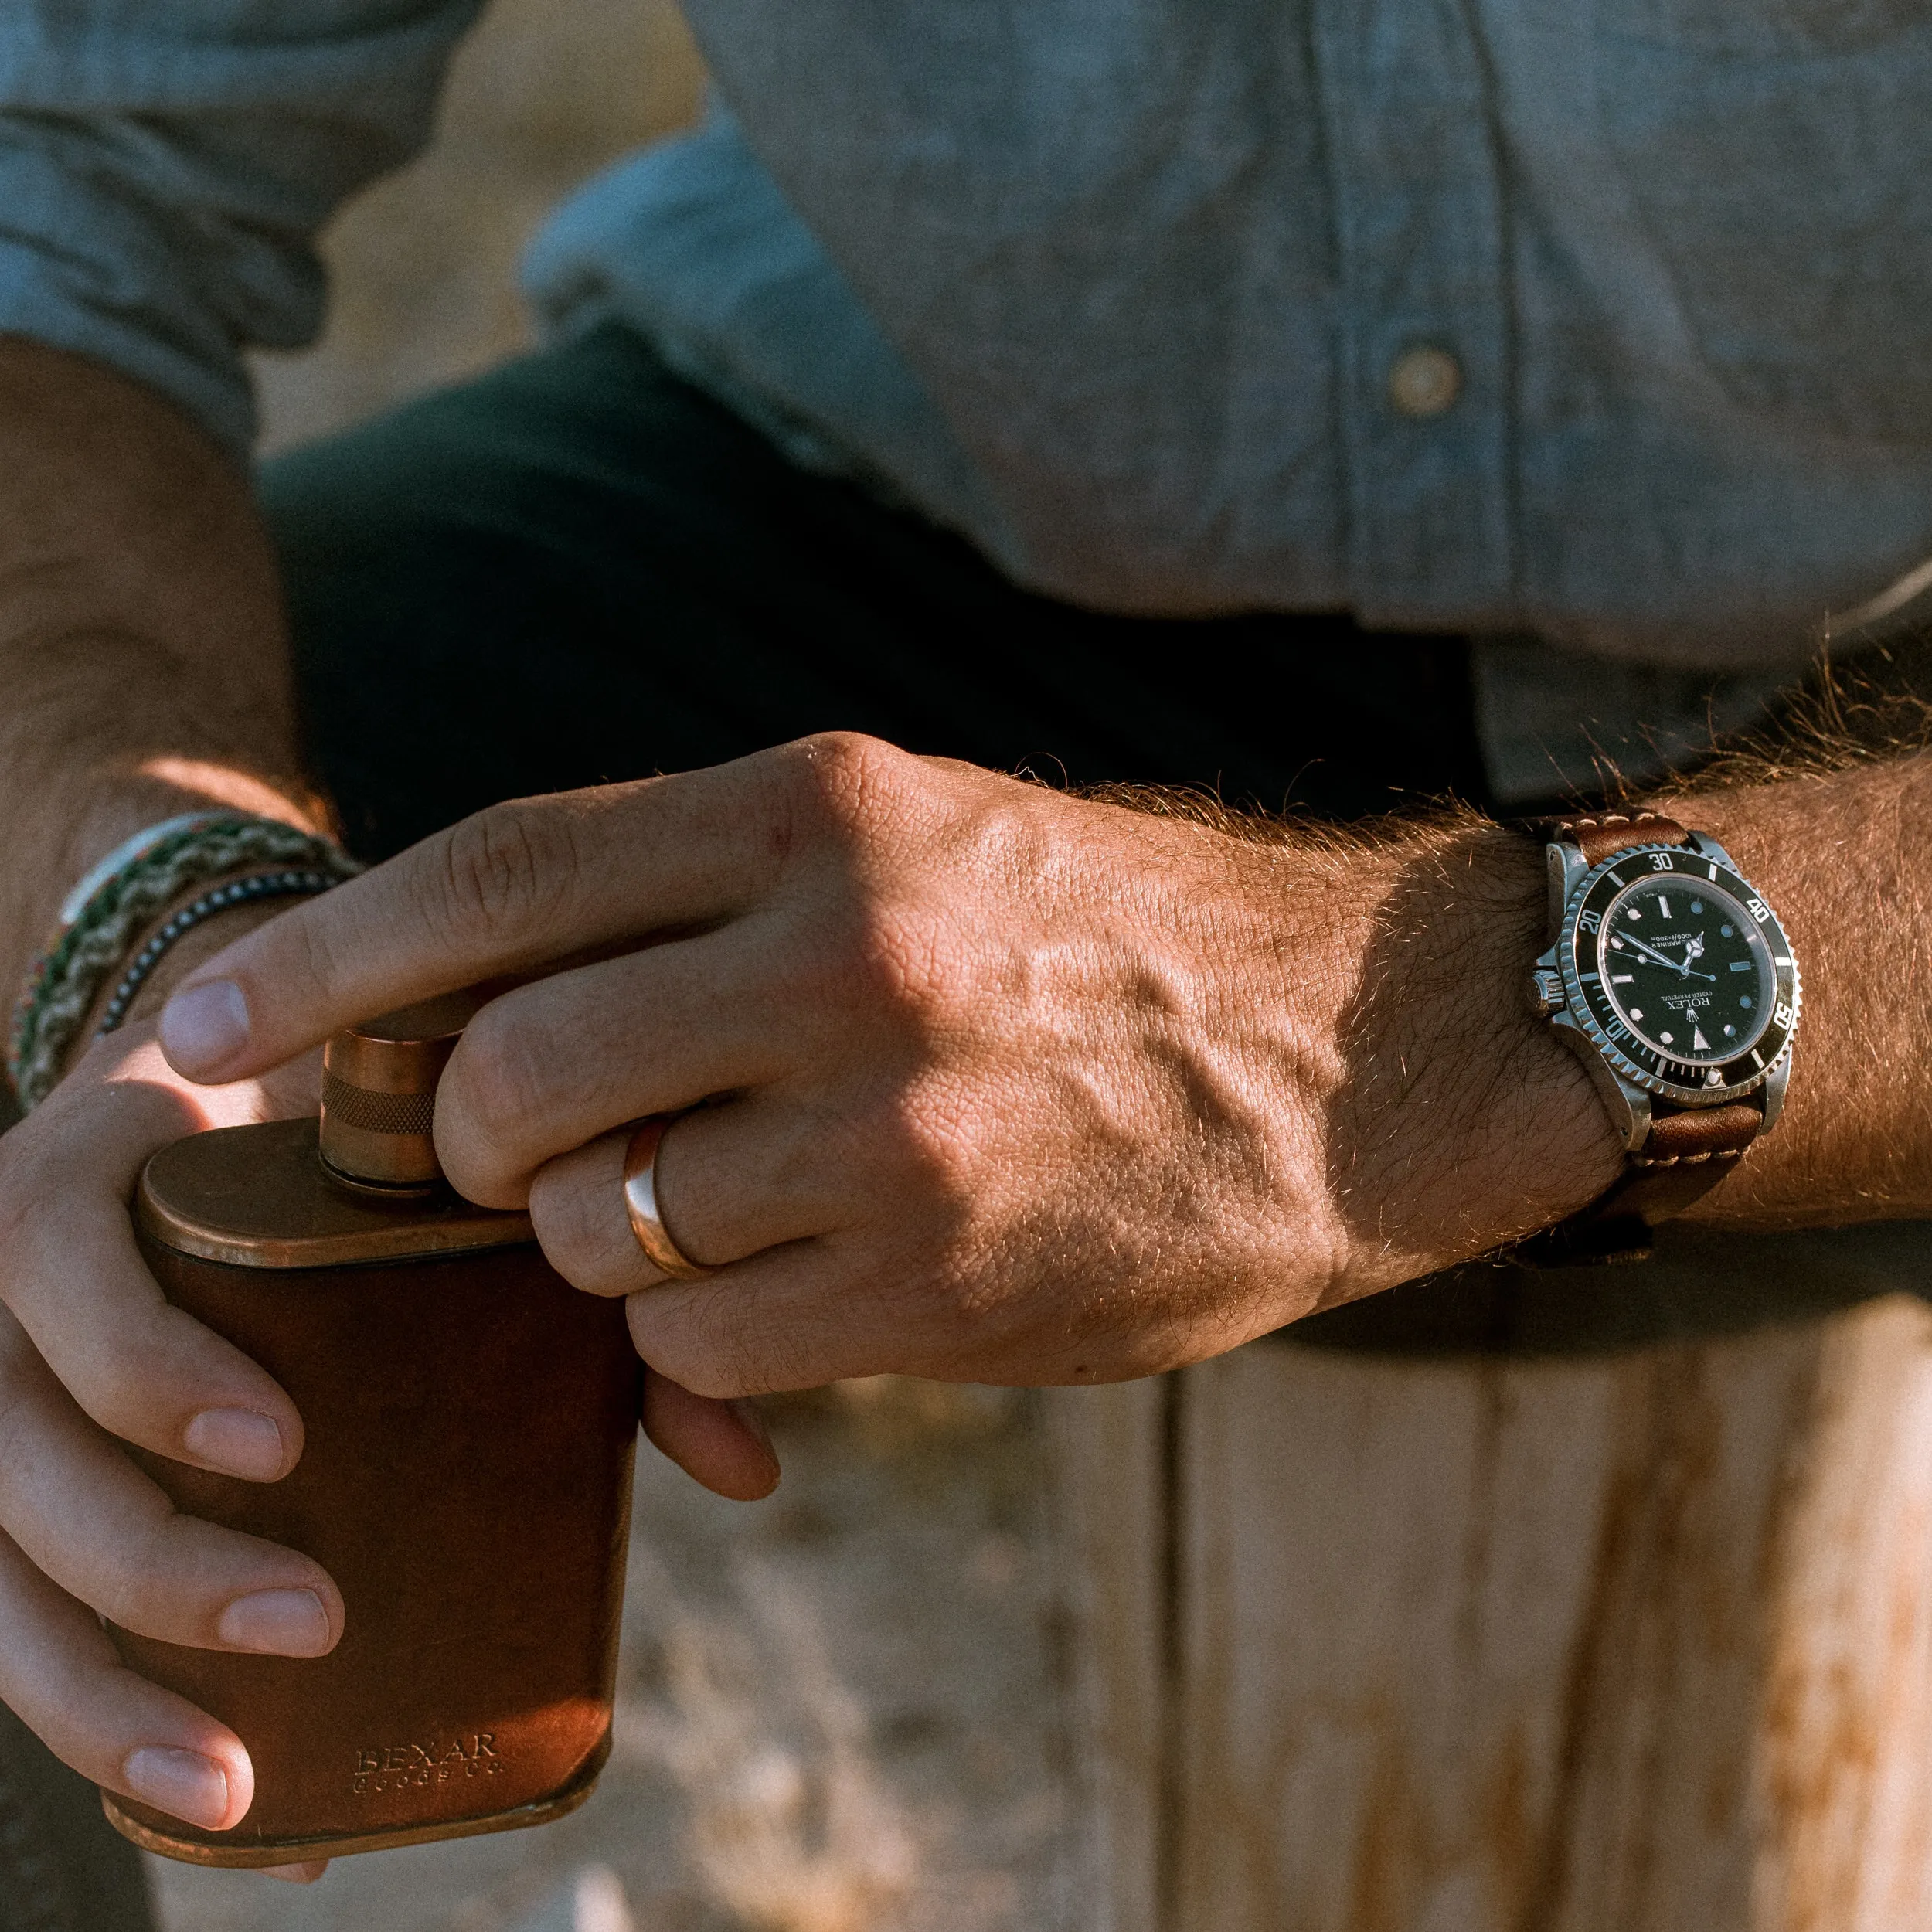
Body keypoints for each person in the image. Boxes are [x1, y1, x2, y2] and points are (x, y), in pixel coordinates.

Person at [0, 0, 1928, 1894]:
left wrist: (1427, 1029)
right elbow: (60, 192)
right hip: (913, 511)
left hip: (1875, 724)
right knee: (49, 1194)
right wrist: (151, 917)